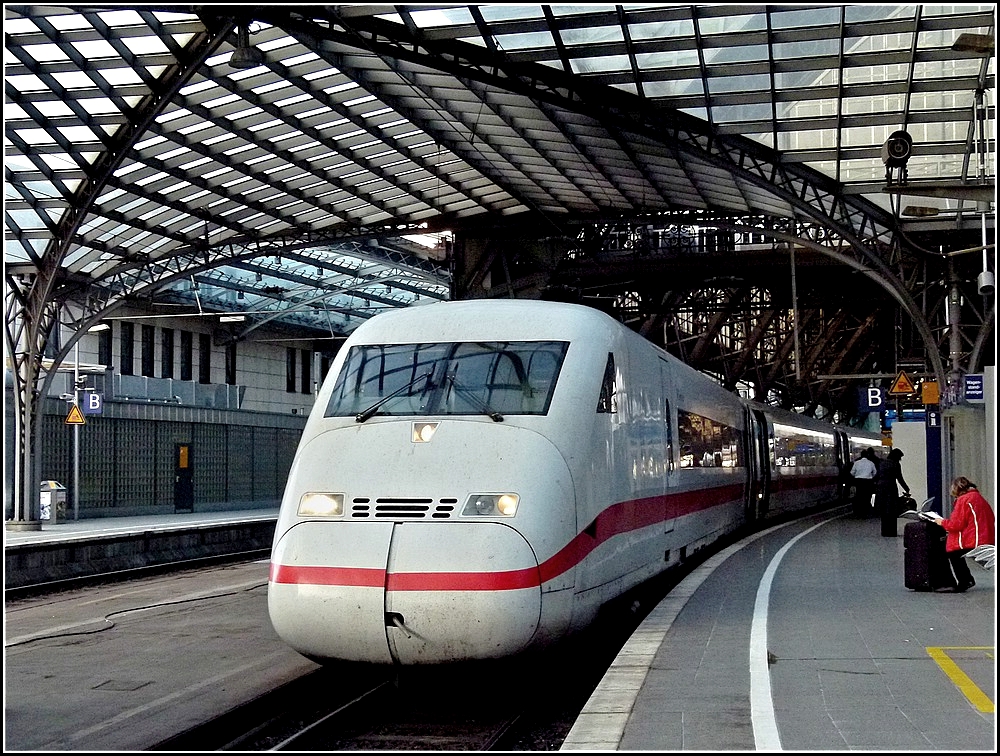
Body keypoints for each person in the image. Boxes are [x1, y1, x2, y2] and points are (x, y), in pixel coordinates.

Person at [924, 477, 995, 592]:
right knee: (956, 553)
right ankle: (966, 579)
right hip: (985, 535)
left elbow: (956, 525)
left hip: (976, 538)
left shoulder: (963, 500)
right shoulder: (977, 497)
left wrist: (941, 522)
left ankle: (962, 581)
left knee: (952, 552)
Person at [874, 447, 909, 537]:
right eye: (900, 457)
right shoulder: (895, 464)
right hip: (890, 488)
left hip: (881, 488)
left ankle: (884, 532)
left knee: (884, 511)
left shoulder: (882, 463)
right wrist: (906, 488)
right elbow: (899, 478)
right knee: (892, 510)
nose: (900, 459)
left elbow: (876, 475)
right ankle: (891, 532)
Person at [849, 447, 878, 518]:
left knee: (858, 497)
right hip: (868, 482)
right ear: (867, 455)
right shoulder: (871, 463)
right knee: (867, 497)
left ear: (861, 455)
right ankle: (866, 512)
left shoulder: (856, 463)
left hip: (858, 482)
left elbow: (852, 472)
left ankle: (859, 512)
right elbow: (875, 473)